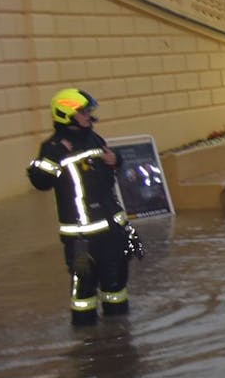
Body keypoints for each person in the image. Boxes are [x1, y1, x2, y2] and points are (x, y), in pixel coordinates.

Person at [26, 89, 142, 325]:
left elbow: (107, 171)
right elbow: (41, 183)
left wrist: (116, 160)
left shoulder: (93, 138)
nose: (89, 115)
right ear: (66, 114)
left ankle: (119, 340)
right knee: (83, 294)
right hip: (81, 237)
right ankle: (86, 345)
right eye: (84, 111)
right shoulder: (53, 147)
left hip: (111, 229)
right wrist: (50, 160)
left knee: (116, 287)